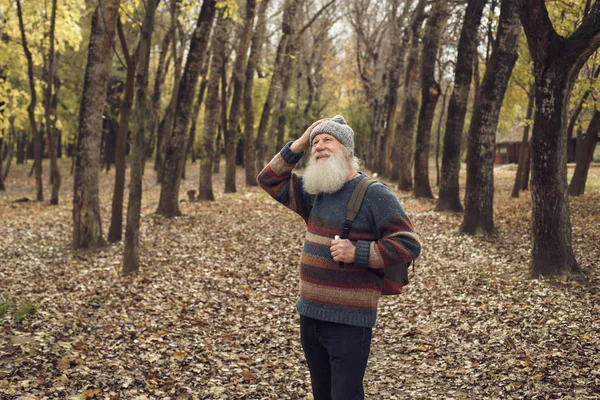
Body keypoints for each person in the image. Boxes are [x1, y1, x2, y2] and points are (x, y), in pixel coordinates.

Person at [257, 115, 422, 400]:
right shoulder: (315, 193)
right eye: (315, 142)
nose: (319, 146)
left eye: (328, 140)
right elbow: (269, 179)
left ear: (346, 149)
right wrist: (300, 140)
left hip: (349, 321)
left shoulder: (374, 194)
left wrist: (358, 252)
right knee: (322, 394)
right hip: (310, 314)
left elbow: (408, 243)